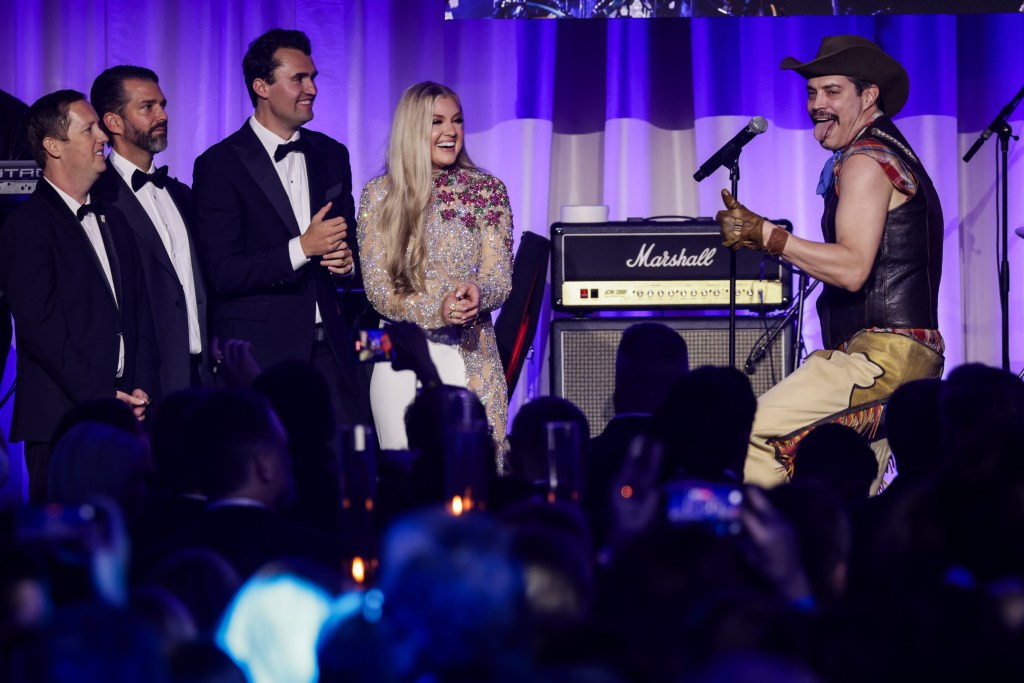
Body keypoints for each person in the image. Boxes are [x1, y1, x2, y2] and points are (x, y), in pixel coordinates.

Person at [714, 35, 944, 489]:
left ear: (869, 95)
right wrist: (767, 239)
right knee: (849, 489)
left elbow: (852, 268)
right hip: (895, 357)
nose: (817, 104)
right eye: (811, 92)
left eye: (832, 91)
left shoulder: (866, 159)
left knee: (757, 437)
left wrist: (769, 236)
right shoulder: (882, 151)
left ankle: (756, 552)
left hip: (882, 357)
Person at [192, 28, 369, 428]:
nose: (312, 89)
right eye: (299, 79)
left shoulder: (331, 154)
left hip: (332, 353)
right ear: (262, 87)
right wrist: (302, 248)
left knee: (338, 473)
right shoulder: (218, 165)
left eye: (314, 78)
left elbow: (349, 239)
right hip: (260, 355)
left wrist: (347, 263)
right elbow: (223, 271)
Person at [0, 90, 157, 502]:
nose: (102, 135)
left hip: (123, 420)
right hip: (62, 425)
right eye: (88, 128)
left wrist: (138, 389)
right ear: (53, 146)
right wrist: (103, 396)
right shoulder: (26, 227)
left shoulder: (115, 220)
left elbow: (137, 317)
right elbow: (41, 330)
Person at [357, 81, 513, 467]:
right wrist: (435, 309)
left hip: (472, 348)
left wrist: (480, 292)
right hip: (398, 355)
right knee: (407, 480)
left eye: (457, 121)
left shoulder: (487, 190)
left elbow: (501, 277)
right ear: (413, 128)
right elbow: (378, 290)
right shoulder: (379, 194)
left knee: (478, 475)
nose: (451, 132)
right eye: (437, 122)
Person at [90, 65, 211, 394]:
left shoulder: (182, 194)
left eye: (163, 105)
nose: (162, 115)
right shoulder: (98, 199)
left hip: (203, 378)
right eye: (147, 107)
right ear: (113, 122)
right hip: (145, 383)